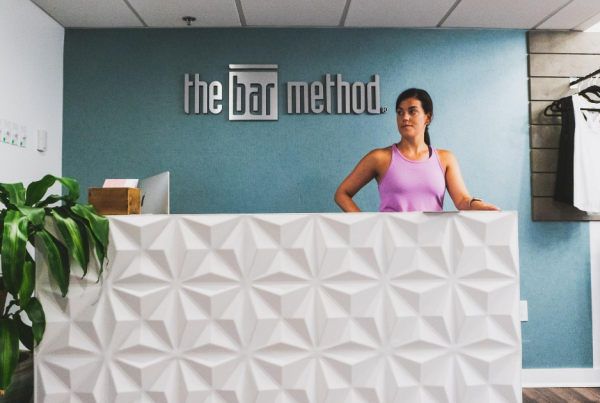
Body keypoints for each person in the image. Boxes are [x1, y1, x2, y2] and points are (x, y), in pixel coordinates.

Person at [334, 88, 500, 213]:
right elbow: (342, 193)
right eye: (400, 112)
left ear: (428, 117)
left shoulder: (445, 159)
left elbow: (462, 201)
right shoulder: (380, 158)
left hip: (432, 245)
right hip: (390, 246)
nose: (405, 117)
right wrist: (368, 226)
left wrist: (476, 204)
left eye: (412, 111)